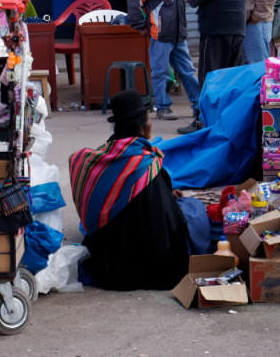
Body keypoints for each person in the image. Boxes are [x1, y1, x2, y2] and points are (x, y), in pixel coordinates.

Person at [68, 89, 191, 291]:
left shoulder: (100, 161)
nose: (151, 124)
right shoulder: (147, 165)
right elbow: (167, 219)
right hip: (149, 267)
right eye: (149, 119)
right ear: (142, 128)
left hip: (107, 264)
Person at [181, 0, 249, 134]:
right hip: (237, 26)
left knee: (210, 76)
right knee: (232, 75)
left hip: (216, 26)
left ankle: (202, 121)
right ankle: (229, 120)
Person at [127, 0, 200, 121]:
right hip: (160, 34)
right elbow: (134, 2)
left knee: (188, 72)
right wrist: (140, 26)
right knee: (161, 73)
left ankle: (198, 106)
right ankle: (162, 108)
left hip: (179, 33)